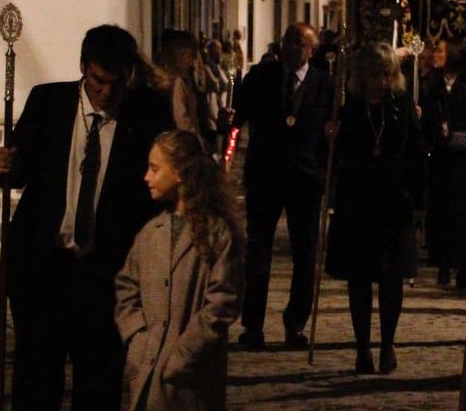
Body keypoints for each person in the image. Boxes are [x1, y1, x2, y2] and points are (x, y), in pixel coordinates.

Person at [0, 25, 173, 411]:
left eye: (116, 83)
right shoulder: (48, 103)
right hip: (44, 261)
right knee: (37, 367)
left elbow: (156, 191)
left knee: (100, 368)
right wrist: (6, 168)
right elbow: (22, 172)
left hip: (107, 266)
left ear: (131, 75)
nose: (106, 93)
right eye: (97, 82)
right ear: (83, 71)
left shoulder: (148, 114)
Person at [110, 130, 250, 411]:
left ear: (181, 174)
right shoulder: (150, 234)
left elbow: (221, 302)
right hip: (151, 359)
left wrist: (186, 351)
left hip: (191, 363)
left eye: (155, 168)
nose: (146, 177)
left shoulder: (216, 235)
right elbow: (126, 288)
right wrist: (136, 338)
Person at [231, 23, 334, 349]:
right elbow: (238, 116)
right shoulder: (261, 77)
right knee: (257, 251)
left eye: (299, 44)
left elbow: (331, 134)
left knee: (305, 255)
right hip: (265, 174)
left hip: (305, 178)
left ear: (311, 50)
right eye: (288, 42)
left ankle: (296, 324)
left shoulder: (325, 86)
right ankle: (253, 326)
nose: (291, 49)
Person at [324, 44, 426, 374]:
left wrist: (420, 200)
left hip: (394, 201)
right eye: (375, 75)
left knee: (391, 277)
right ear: (362, 78)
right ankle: (362, 347)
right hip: (358, 202)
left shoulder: (401, 107)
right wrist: (331, 138)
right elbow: (336, 158)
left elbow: (416, 153)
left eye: (387, 74)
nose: (382, 82)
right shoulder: (348, 109)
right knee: (360, 277)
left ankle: (387, 344)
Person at [422, 40, 466, 289]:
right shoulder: (430, 85)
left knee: (461, 214)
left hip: (462, 158)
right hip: (440, 157)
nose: (436, 55)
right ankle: (443, 264)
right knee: (442, 212)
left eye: (441, 51)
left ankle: (462, 265)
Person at [159, 29, 209, 146]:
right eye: (190, 57)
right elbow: (183, 120)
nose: (192, 63)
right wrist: (198, 142)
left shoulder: (170, 80)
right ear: (180, 55)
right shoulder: (178, 83)